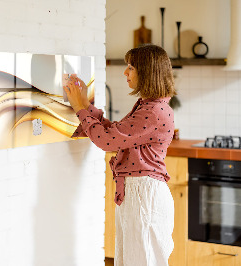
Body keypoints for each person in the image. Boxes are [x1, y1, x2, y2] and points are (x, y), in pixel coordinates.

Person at [64, 44, 176, 266]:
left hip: (144, 195)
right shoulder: (149, 106)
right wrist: (86, 104)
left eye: (131, 67)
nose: (125, 72)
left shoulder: (153, 111)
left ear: (147, 72)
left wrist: (79, 108)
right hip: (139, 193)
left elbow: (107, 141)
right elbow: (115, 133)